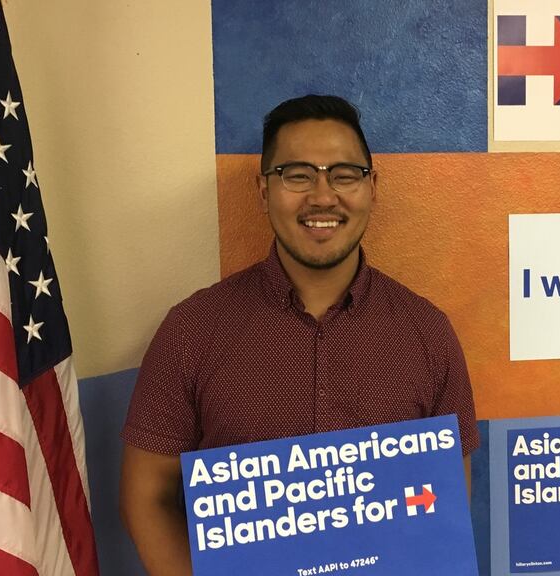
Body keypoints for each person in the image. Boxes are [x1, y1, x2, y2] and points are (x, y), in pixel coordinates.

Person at [119, 94, 479, 575]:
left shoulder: (427, 333)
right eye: (298, 175)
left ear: (372, 186)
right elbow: (147, 498)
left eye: (344, 174)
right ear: (263, 190)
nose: (323, 196)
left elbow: (448, 495)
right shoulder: (192, 331)